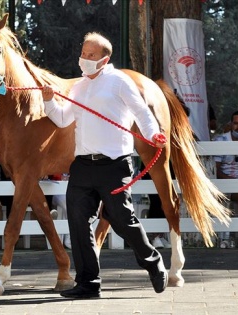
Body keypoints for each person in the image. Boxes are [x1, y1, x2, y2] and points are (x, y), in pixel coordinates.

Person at [41, 32, 168, 299]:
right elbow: (63, 120)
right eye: (83, 53)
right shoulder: (79, 87)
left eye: (90, 55)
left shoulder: (118, 81)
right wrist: (49, 100)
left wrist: (153, 133)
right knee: (78, 223)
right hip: (82, 166)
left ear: (104, 59)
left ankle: (152, 261)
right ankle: (88, 283)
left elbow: (142, 112)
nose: (83, 59)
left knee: (122, 220)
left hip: (114, 165)